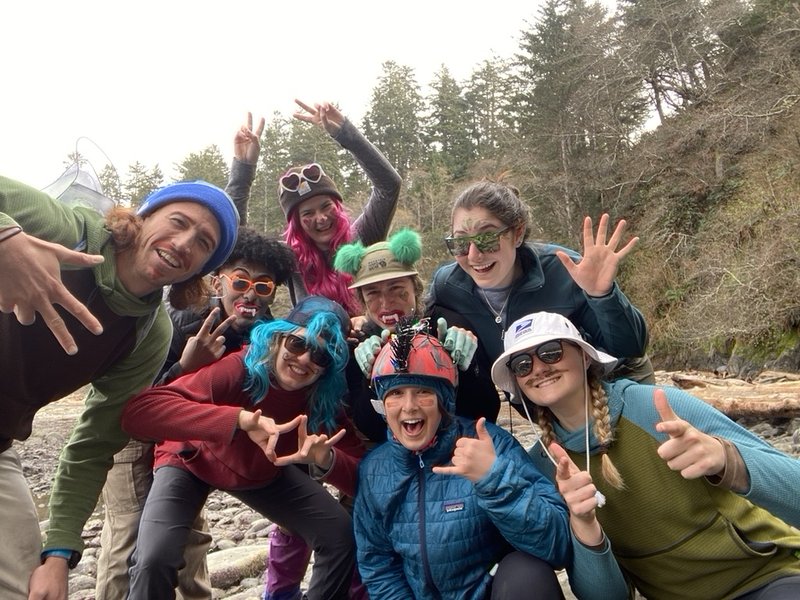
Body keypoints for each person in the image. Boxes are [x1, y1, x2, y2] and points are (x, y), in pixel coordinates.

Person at [0, 175, 239, 600]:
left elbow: (94, 444)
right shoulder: (68, 231)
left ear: (203, 268)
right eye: (178, 221)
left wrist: (59, 553)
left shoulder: (148, 334)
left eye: (203, 243)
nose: (184, 242)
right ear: (143, 217)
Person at [490, 311, 800, 600]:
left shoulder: (654, 407)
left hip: (767, 578)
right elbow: (608, 596)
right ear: (517, 383)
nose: (539, 368)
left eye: (550, 352)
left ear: (585, 356)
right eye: (522, 365)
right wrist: (584, 525)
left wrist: (726, 459)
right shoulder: (544, 467)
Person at [96, 226, 297, 600]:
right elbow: (139, 402)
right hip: (128, 432)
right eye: (240, 281)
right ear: (218, 280)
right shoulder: (178, 320)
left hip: (190, 439)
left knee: (184, 535)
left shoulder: (266, 333)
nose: (250, 293)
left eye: (263, 287)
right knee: (128, 540)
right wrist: (186, 367)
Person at [120, 296, 365, 600]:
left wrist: (327, 460)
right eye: (297, 345)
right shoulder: (239, 367)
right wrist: (238, 419)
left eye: (321, 356)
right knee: (155, 558)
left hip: (261, 472)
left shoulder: (321, 400)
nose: (304, 360)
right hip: (190, 460)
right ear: (277, 338)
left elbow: (363, 477)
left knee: (339, 536)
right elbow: (140, 412)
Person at [353, 320, 571, 599]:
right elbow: (378, 565)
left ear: (445, 400)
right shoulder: (374, 470)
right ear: (382, 405)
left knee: (527, 572)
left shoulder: (490, 444)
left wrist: (493, 478)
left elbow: (558, 545)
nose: (409, 406)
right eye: (395, 394)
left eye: (423, 392)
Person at [426, 180, 653, 423]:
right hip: (545, 407)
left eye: (488, 238)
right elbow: (415, 327)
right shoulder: (448, 286)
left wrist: (603, 296)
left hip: (618, 388)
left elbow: (631, 347)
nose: (473, 255)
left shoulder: (565, 271)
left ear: (518, 233)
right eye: (460, 242)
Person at [334, 227, 477, 443]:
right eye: (372, 293)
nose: (385, 303)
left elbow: (483, 409)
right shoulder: (359, 345)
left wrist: (466, 370)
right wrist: (369, 379)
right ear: (362, 301)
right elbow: (370, 428)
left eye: (395, 288)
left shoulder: (446, 324)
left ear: (415, 288)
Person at [278, 99, 402, 316]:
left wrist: (345, 133)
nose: (321, 218)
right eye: (308, 213)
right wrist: (244, 167)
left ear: (337, 205)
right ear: (297, 223)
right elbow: (237, 244)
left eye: (326, 206)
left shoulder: (362, 237)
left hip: (372, 346)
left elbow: (389, 185)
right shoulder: (290, 260)